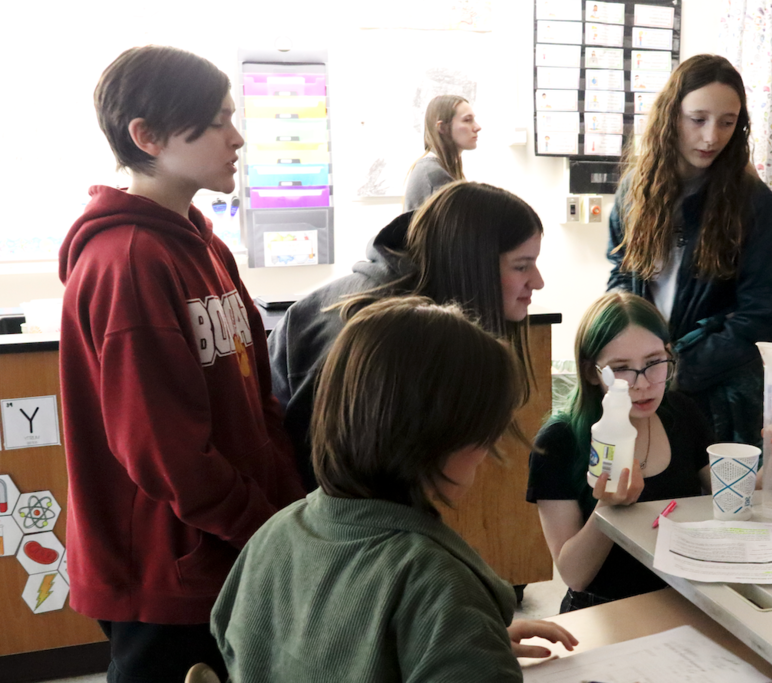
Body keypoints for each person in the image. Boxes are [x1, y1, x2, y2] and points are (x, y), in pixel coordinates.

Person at [58, 46, 304, 682]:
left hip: (231, 549)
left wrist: (285, 508)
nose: (238, 137)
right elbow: (163, 451)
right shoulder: (128, 261)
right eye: (217, 121)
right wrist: (264, 527)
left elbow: (257, 396)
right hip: (170, 572)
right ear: (148, 136)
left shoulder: (198, 238)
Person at [213, 298, 577, 681]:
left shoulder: (274, 534)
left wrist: (472, 642)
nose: (486, 455)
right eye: (485, 435)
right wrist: (462, 637)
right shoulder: (439, 586)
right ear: (440, 440)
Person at [527, 292, 772, 612]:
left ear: (669, 355)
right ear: (593, 372)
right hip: (603, 609)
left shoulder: (680, 413)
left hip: (685, 597)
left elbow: (729, 497)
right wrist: (607, 506)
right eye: (622, 369)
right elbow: (574, 575)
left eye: (654, 363)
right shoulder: (558, 442)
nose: (643, 383)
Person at [269, 180, 545, 490]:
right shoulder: (387, 337)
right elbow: (341, 480)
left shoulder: (417, 317)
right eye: (522, 267)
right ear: (471, 263)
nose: (538, 282)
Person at [607, 54, 772, 448]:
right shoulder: (634, 191)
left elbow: (768, 314)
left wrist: (678, 367)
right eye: (698, 120)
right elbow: (622, 278)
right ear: (671, 116)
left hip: (721, 398)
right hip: (646, 385)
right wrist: (624, 351)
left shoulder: (752, 201)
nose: (712, 137)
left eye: (727, 122)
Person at [403, 94, 481, 211]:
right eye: (467, 120)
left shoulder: (438, 169)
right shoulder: (433, 173)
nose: (477, 127)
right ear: (442, 128)